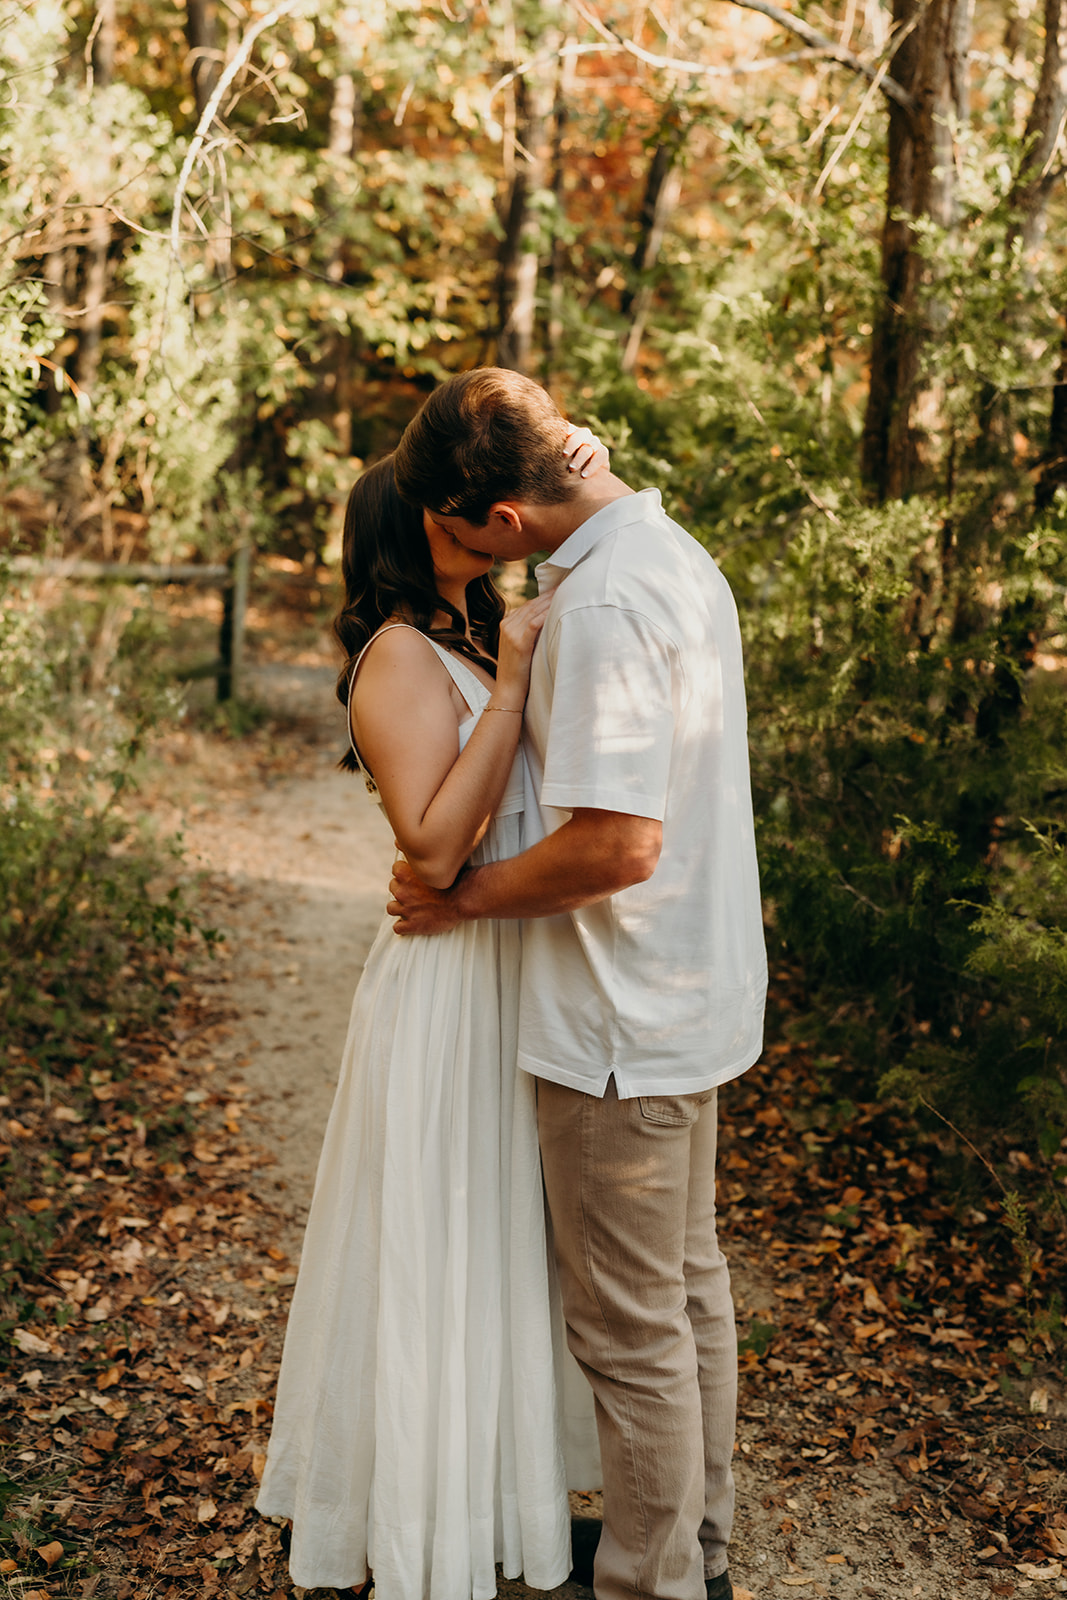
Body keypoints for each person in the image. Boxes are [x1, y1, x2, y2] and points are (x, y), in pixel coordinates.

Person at [390, 368, 768, 1600]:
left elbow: (617, 844)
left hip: (617, 1015)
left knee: (625, 1329)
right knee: (683, 1291)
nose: (457, 556)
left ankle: (651, 1583)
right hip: (687, 995)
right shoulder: (664, 551)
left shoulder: (602, 603)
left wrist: (460, 901)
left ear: (501, 519)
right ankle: (694, 1550)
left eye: (456, 531)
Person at [255, 433, 603, 1599]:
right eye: (436, 504)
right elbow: (437, 843)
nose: (463, 511)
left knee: (502, 1237)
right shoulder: (399, 657)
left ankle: (494, 1501)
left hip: (508, 964)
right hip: (447, 978)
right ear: (407, 530)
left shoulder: (467, 626)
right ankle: (416, 1521)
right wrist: (508, 683)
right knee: (438, 1237)